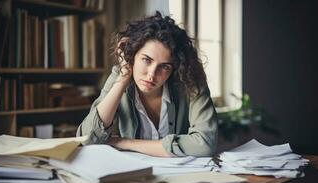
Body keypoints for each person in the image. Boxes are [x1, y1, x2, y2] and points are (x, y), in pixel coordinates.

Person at [77, 11, 218, 157]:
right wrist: (123, 79)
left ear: (175, 67)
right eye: (146, 60)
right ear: (132, 54)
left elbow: (205, 145)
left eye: (164, 66)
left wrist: (125, 143)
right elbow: (87, 139)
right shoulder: (119, 77)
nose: (151, 74)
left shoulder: (190, 80)